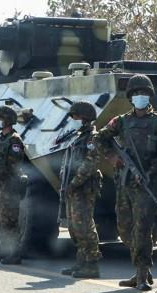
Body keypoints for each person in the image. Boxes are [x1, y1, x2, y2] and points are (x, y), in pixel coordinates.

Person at [95, 74, 157, 291]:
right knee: (124, 228)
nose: (140, 97)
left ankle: (141, 273)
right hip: (125, 183)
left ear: (150, 96)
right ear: (130, 97)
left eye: (144, 93)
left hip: (147, 184)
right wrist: (113, 158)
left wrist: (148, 173)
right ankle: (141, 267)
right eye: (137, 94)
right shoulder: (121, 121)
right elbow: (99, 138)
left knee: (142, 228)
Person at [59, 101, 103, 278]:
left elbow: (89, 163)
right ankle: (81, 262)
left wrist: (75, 182)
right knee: (74, 226)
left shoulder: (92, 138)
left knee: (84, 226)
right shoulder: (78, 137)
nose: (73, 120)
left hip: (83, 188)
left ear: (84, 118)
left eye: (75, 117)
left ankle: (92, 264)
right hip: (73, 188)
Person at [0, 106, 26, 265]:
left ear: (8, 121)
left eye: (1, 119)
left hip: (9, 186)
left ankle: (15, 253)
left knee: (9, 222)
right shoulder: (0, 139)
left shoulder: (14, 140)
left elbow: (13, 164)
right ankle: (4, 250)